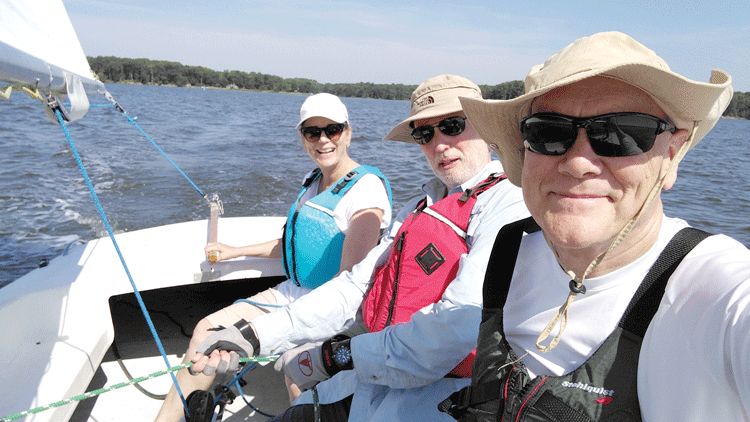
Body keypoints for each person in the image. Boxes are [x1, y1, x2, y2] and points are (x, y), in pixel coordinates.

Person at [440, 32, 749, 421]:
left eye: (622, 133)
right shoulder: (510, 249)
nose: (578, 163)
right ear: (524, 152)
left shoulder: (718, 295)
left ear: (670, 156)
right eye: (549, 132)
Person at [189, 74, 530, 421]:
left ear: (486, 129)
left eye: (452, 126)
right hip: (372, 381)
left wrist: (335, 356)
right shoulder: (418, 205)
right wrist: (254, 335)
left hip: (450, 398)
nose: (439, 144)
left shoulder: (510, 202)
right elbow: (356, 285)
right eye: (425, 134)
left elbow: (455, 327)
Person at [154, 93, 393, 422]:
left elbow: (348, 285)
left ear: (348, 133)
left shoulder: (365, 190)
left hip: (333, 306)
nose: (323, 139)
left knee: (298, 369)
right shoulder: (313, 182)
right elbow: (293, 244)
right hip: (290, 291)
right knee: (206, 331)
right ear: (303, 138)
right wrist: (233, 251)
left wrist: (277, 332)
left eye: (332, 130)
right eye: (312, 132)